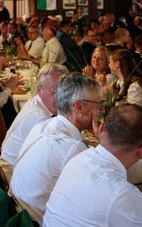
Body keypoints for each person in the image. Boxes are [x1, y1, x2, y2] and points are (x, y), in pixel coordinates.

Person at [43, 104, 142, 227]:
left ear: (101, 130)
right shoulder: (121, 194)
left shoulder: (79, 159)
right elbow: (122, 204)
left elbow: (133, 215)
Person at [11, 74, 103, 222]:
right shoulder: (72, 149)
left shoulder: (43, 126)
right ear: (78, 106)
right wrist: (103, 145)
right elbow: (99, 195)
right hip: (36, 220)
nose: (100, 112)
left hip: (18, 213)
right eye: (98, 105)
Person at [0, 63, 67, 166]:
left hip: (9, 161)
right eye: (54, 91)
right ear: (39, 90)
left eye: (63, 92)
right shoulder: (40, 117)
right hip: (11, 169)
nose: (60, 97)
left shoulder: (36, 102)